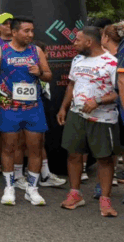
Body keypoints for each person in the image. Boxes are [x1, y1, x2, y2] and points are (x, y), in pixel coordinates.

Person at [0, 17, 52, 206]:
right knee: (8, 147)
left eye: (32, 31)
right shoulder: (0, 51)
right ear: (14, 32)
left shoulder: (36, 51)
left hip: (33, 108)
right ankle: (9, 187)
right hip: (9, 107)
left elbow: (48, 76)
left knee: (35, 147)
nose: (30, 35)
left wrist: (39, 72)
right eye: (26, 31)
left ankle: (32, 188)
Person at [58, 27, 121, 217]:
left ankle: (105, 200)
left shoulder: (112, 62)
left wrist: (98, 101)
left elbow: (119, 92)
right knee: (74, 154)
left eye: (78, 40)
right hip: (77, 115)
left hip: (103, 118)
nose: (74, 43)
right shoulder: (77, 60)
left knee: (104, 159)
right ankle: (75, 194)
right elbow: (72, 84)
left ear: (89, 42)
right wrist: (63, 108)